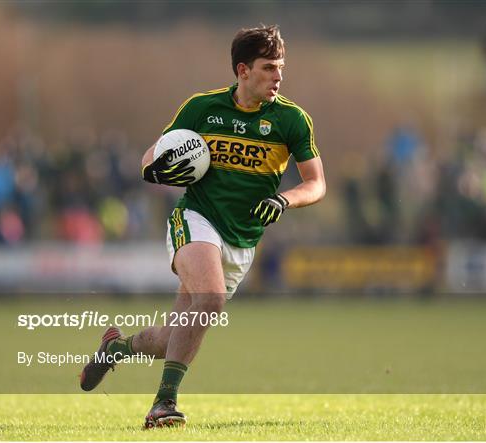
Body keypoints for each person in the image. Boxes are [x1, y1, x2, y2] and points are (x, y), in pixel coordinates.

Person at [80, 25, 326, 428]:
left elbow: (316, 183)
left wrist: (285, 198)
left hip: (242, 240)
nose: (278, 77)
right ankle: (164, 404)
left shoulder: (291, 119)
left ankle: (117, 349)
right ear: (243, 70)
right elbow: (149, 159)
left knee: (171, 336)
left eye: (281, 68)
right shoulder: (201, 108)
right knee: (211, 300)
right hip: (197, 219)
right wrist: (156, 169)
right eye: (269, 68)